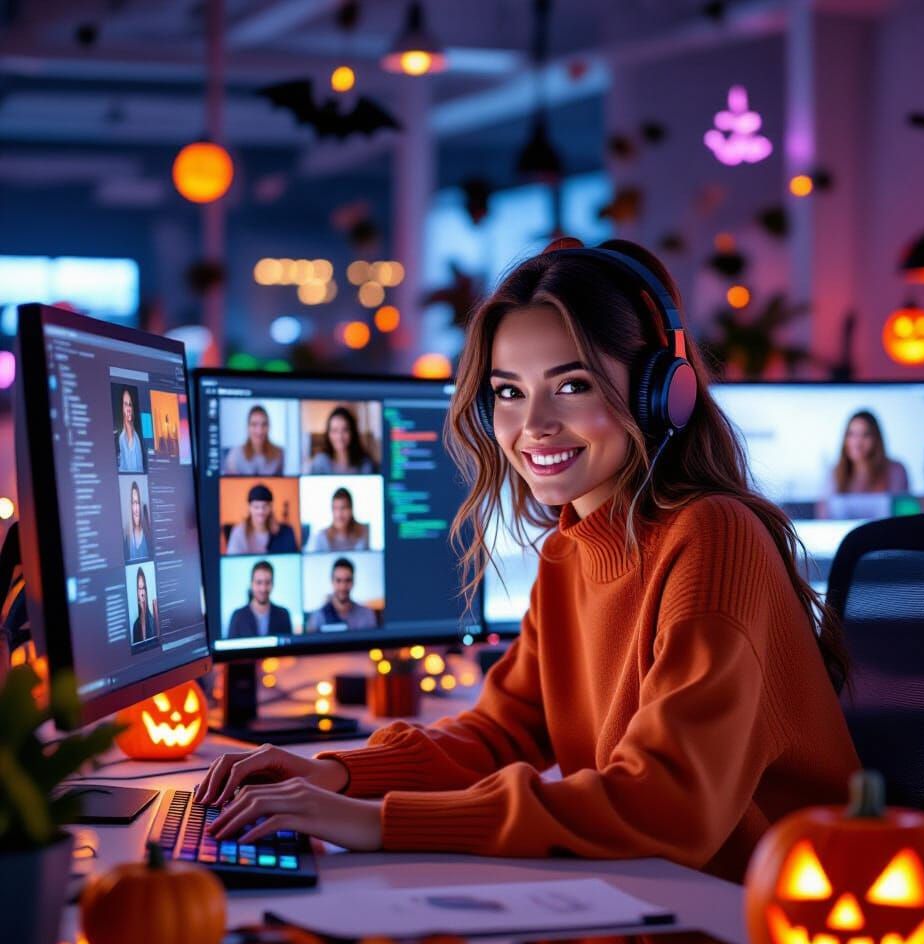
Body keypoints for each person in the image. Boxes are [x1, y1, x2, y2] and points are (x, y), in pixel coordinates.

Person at [197, 238, 858, 884]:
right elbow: (501, 729)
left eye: (571, 385)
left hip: (764, 917)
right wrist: (337, 775)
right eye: (507, 391)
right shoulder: (574, 546)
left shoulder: (713, 536)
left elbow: (667, 803)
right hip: (649, 889)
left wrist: (373, 822)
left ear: (662, 392)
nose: (530, 423)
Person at [831, 410, 909, 495]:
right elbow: (824, 506)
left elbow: (903, 506)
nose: (857, 443)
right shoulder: (835, 474)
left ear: (876, 439)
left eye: (865, 435)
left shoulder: (895, 470)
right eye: (851, 434)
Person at [305, 557, 378, 632]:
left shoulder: (366, 615)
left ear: (353, 582)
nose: (343, 587)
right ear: (332, 582)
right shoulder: (319, 617)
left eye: (347, 580)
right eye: (338, 580)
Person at [225, 483, 298, 555]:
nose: (261, 511)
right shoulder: (239, 531)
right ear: (249, 508)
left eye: (265, 506)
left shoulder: (285, 532)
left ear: (271, 507)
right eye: (256, 507)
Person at [226, 560, 293, 638]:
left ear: (273, 584)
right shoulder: (238, 616)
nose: (263, 588)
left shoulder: (283, 615)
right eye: (259, 582)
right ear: (251, 584)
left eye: (267, 582)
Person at [307, 406, 377, 474]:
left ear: (352, 432)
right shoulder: (320, 463)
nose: (339, 436)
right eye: (334, 431)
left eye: (345, 430)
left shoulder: (365, 464)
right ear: (328, 434)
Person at [224, 405, 284, 475]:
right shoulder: (235, 455)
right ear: (248, 427)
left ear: (269, 427)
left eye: (264, 424)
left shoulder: (279, 454)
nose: (259, 431)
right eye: (254, 424)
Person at [307, 487, 370, 552]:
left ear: (351, 510)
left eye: (344, 508)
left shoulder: (364, 533)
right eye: (335, 508)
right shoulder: (320, 537)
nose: (339, 514)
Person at [117, 387, 144, 473]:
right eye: (125, 404)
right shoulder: (122, 438)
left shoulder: (137, 436)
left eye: (130, 404)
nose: (128, 408)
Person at [123, 480, 150, 561]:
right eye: (133, 503)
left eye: (138, 503)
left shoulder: (148, 535)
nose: (136, 509)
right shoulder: (126, 537)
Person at [131, 566, 156, 644]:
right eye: (139, 589)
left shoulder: (153, 620)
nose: (142, 593)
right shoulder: (135, 625)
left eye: (143, 588)